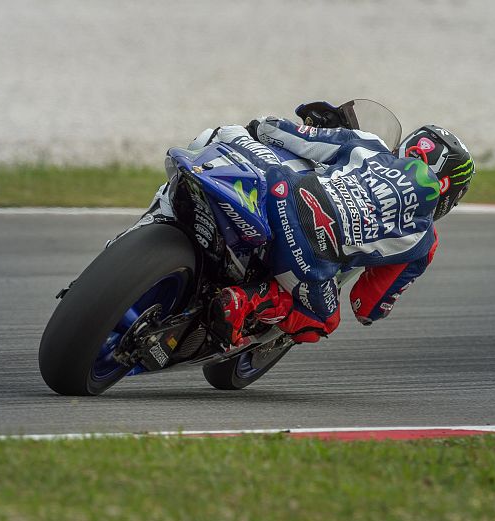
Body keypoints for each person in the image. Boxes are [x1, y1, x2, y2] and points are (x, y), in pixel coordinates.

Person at [200, 111, 474, 345]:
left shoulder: (369, 144)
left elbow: (296, 136)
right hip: (308, 253)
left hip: (280, 190)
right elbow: (366, 307)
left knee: (226, 134)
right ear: (449, 193)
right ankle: (244, 301)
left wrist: (259, 127)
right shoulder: (423, 239)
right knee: (324, 320)